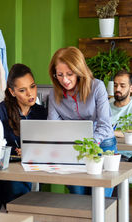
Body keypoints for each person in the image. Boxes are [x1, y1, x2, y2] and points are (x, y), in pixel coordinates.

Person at [48, 46, 117, 197]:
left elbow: (104, 125)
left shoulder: (97, 87)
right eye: (59, 75)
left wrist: (89, 145)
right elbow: (53, 127)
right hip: (73, 148)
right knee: (78, 197)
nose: (64, 80)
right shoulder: (54, 94)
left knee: (100, 197)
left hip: (103, 145)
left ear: (79, 70)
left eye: (69, 74)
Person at [0, 64, 47, 211]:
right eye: (22, 90)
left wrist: (33, 150)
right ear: (12, 92)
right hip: (5, 170)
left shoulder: (42, 113)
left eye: (32, 86)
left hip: (31, 167)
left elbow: (49, 143)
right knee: (9, 188)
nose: (30, 93)